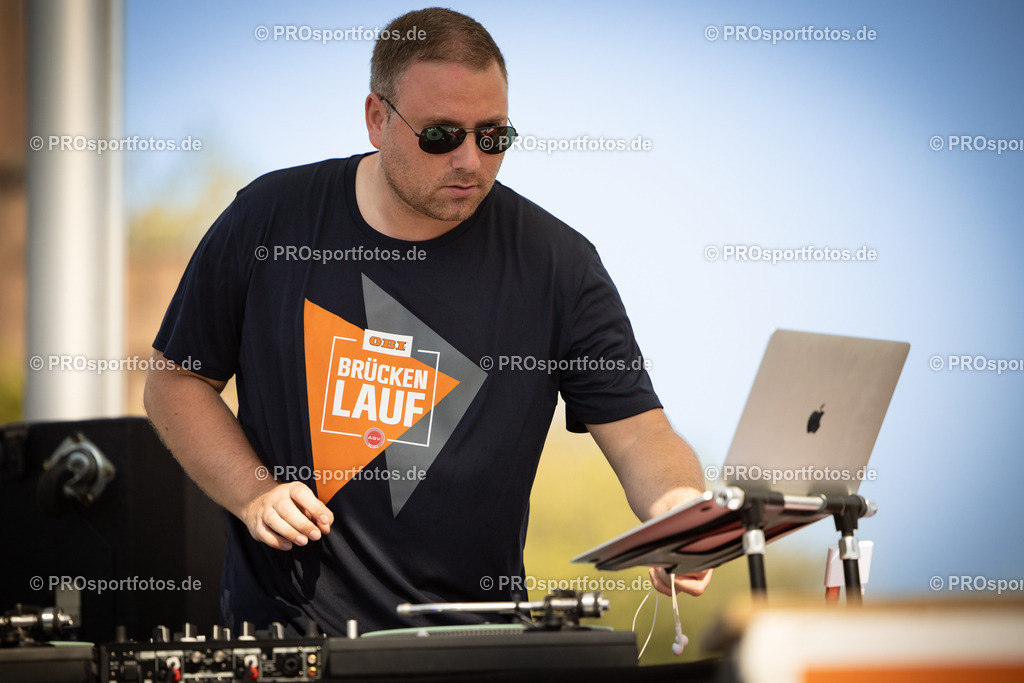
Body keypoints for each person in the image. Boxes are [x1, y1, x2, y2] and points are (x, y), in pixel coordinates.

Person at [144, 7, 711, 636]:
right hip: (286, 645)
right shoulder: (268, 219)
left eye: (493, 135)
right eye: (441, 135)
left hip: (475, 646)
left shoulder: (559, 265)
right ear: (377, 119)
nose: (470, 159)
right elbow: (175, 383)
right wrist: (254, 493)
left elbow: (639, 435)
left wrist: (680, 513)